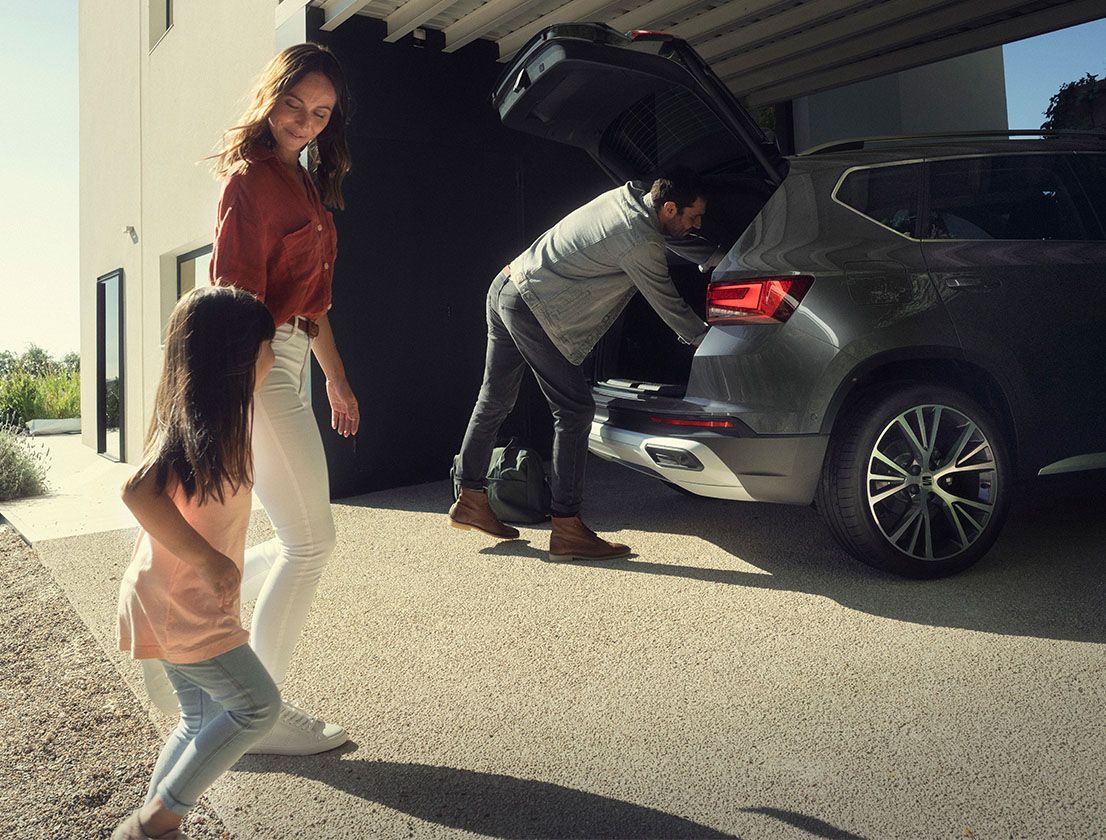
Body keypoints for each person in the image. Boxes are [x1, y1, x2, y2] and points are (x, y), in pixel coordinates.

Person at [206, 42, 358, 754]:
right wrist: (241, 392)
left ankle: (213, 591)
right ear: (272, 97)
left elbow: (313, 305)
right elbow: (235, 299)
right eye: (296, 104)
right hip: (258, 360)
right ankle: (256, 716)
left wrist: (335, 377)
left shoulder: (305, 184)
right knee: (311, 542)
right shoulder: (249, 181)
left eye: (321, 113)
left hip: (292, 358)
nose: (306, 120)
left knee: (300, 539)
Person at [450, 170, 718, 561]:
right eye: (693, 218)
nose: (698, 225)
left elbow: (667, 236)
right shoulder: (639, 240)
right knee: (574, 408)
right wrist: (714, 341)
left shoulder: (630, 200)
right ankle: (568, 527)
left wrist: (714, 256)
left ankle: (470, 497)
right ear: (670, 207)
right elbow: (670, 307)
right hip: (530, 306)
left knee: (494, 400)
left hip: (505, 286)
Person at [113, 286, 279, 840]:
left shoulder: (223, 425)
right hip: (178, 605)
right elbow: (137, 492)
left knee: (201, 718)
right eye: (265, 345)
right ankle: (154, 824)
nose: (272, 357)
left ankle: (153, 829)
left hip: (174, 601)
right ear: (235, 356)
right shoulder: (190, 429)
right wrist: (210, 563)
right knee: (257, 707)